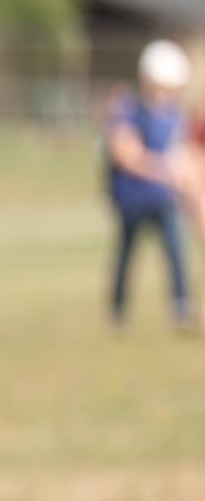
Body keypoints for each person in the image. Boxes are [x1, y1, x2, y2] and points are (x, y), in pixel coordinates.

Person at [104, 39, 194, 331]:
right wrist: (164, 170)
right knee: (127, 252)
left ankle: (181, 308)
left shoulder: (175, 116)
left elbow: (183, 155)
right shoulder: (129, 109)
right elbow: (125, 153)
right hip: (132, 197)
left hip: (163, 198)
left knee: (175, 249)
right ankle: (118, 311)